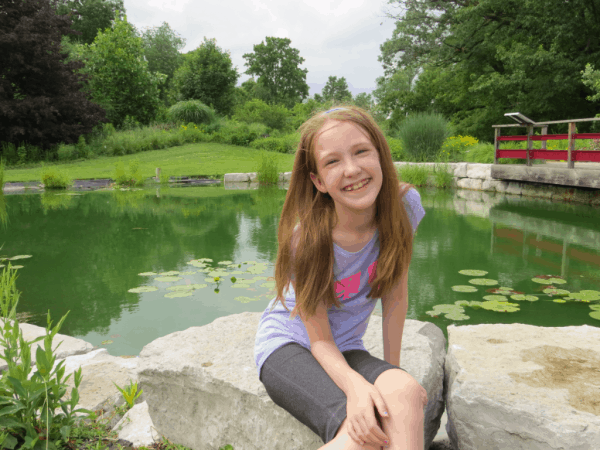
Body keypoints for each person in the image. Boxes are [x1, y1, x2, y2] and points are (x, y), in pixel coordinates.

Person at [254, 105, 428, 450]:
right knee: (362, 434)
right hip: (291, 346)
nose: (352, 170)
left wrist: (389, 375)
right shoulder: (308, 240)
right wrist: (355, 387)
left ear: (380, 155)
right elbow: (318, 339)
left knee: (405, 395)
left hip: (346, 346)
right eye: (332, 162)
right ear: (318, 180)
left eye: (361, 151)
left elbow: (395, 295)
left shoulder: (405, 206)